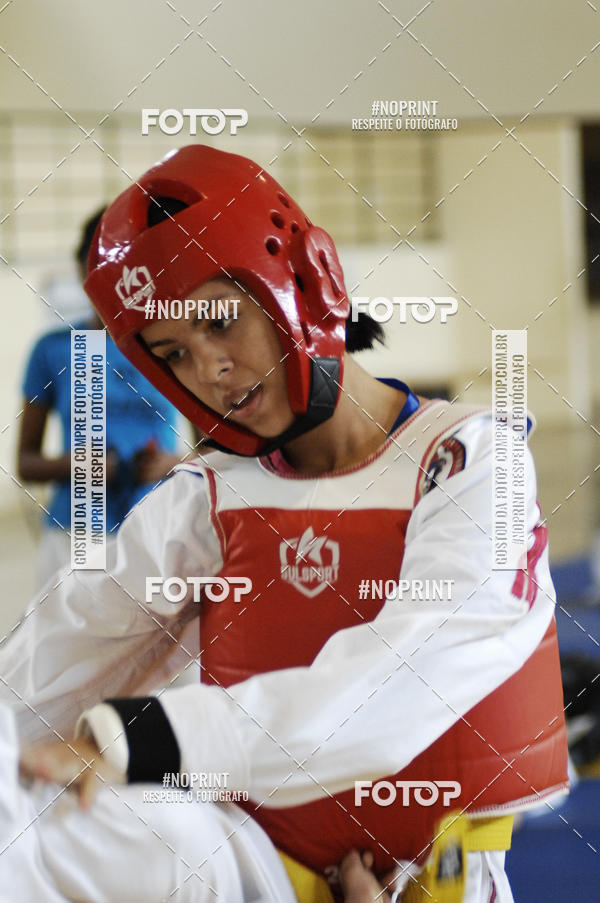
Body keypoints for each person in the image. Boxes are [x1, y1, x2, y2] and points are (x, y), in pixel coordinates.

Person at [2, 145, 569, 902]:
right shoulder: (206, 494)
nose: (209, 369)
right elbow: (59, 651)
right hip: (253, 862)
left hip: (428, 882)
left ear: (303, 279)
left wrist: (139, 737)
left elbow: (409, 675)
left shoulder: (471, 460)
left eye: (218, 322)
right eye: (174, 352)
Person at [17, 209, 185, 588]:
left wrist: (173, 463)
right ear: (81, 273)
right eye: (97, 268)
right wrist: (85, 467)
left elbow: (218, 453)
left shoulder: (172, 345)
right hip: (75, 535)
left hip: (157, 528)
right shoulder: (54, 350)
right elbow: (26, 463)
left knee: (166, 645)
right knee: (69, 644)